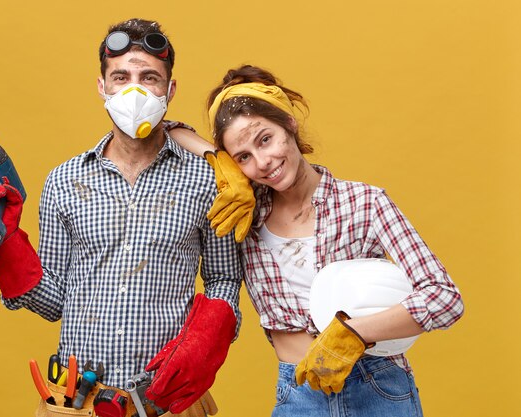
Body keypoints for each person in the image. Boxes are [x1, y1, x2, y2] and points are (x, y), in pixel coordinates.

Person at [0, 18, 243, 416]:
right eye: (121, 76)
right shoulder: (64, 180)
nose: (135, 89)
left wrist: (207, 337)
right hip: (74, 402)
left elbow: (225, 277)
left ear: (169, 89)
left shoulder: (208, 181)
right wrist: (4, 250)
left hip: (168, 403)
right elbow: (55, 301)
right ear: (102, 86)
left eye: (150, 78)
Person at [171, 64, 464, 417]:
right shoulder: (242, 219)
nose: (263, 162)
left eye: (266, 139)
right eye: (243, 157)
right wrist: (218, 160)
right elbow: (163, 129)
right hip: (299, 392)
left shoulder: (365, 202)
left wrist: (352, 332)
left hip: (377, 386)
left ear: (290, 125)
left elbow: (444, 298)